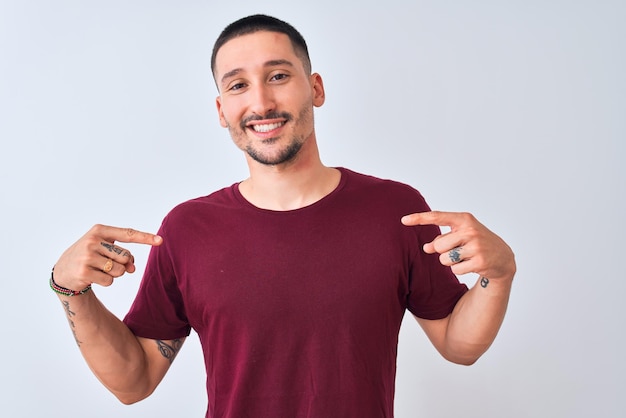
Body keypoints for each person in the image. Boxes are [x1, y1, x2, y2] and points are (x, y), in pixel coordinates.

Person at [51, 14, 516, 418]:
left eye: (277, 76)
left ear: (315, 88)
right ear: (221, 110)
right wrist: (70, 289)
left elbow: (458, 345)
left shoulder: (395, 210)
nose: (261, 103)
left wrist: (499, 273)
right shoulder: (187, 230)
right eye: (237, 85)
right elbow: (135, 382)